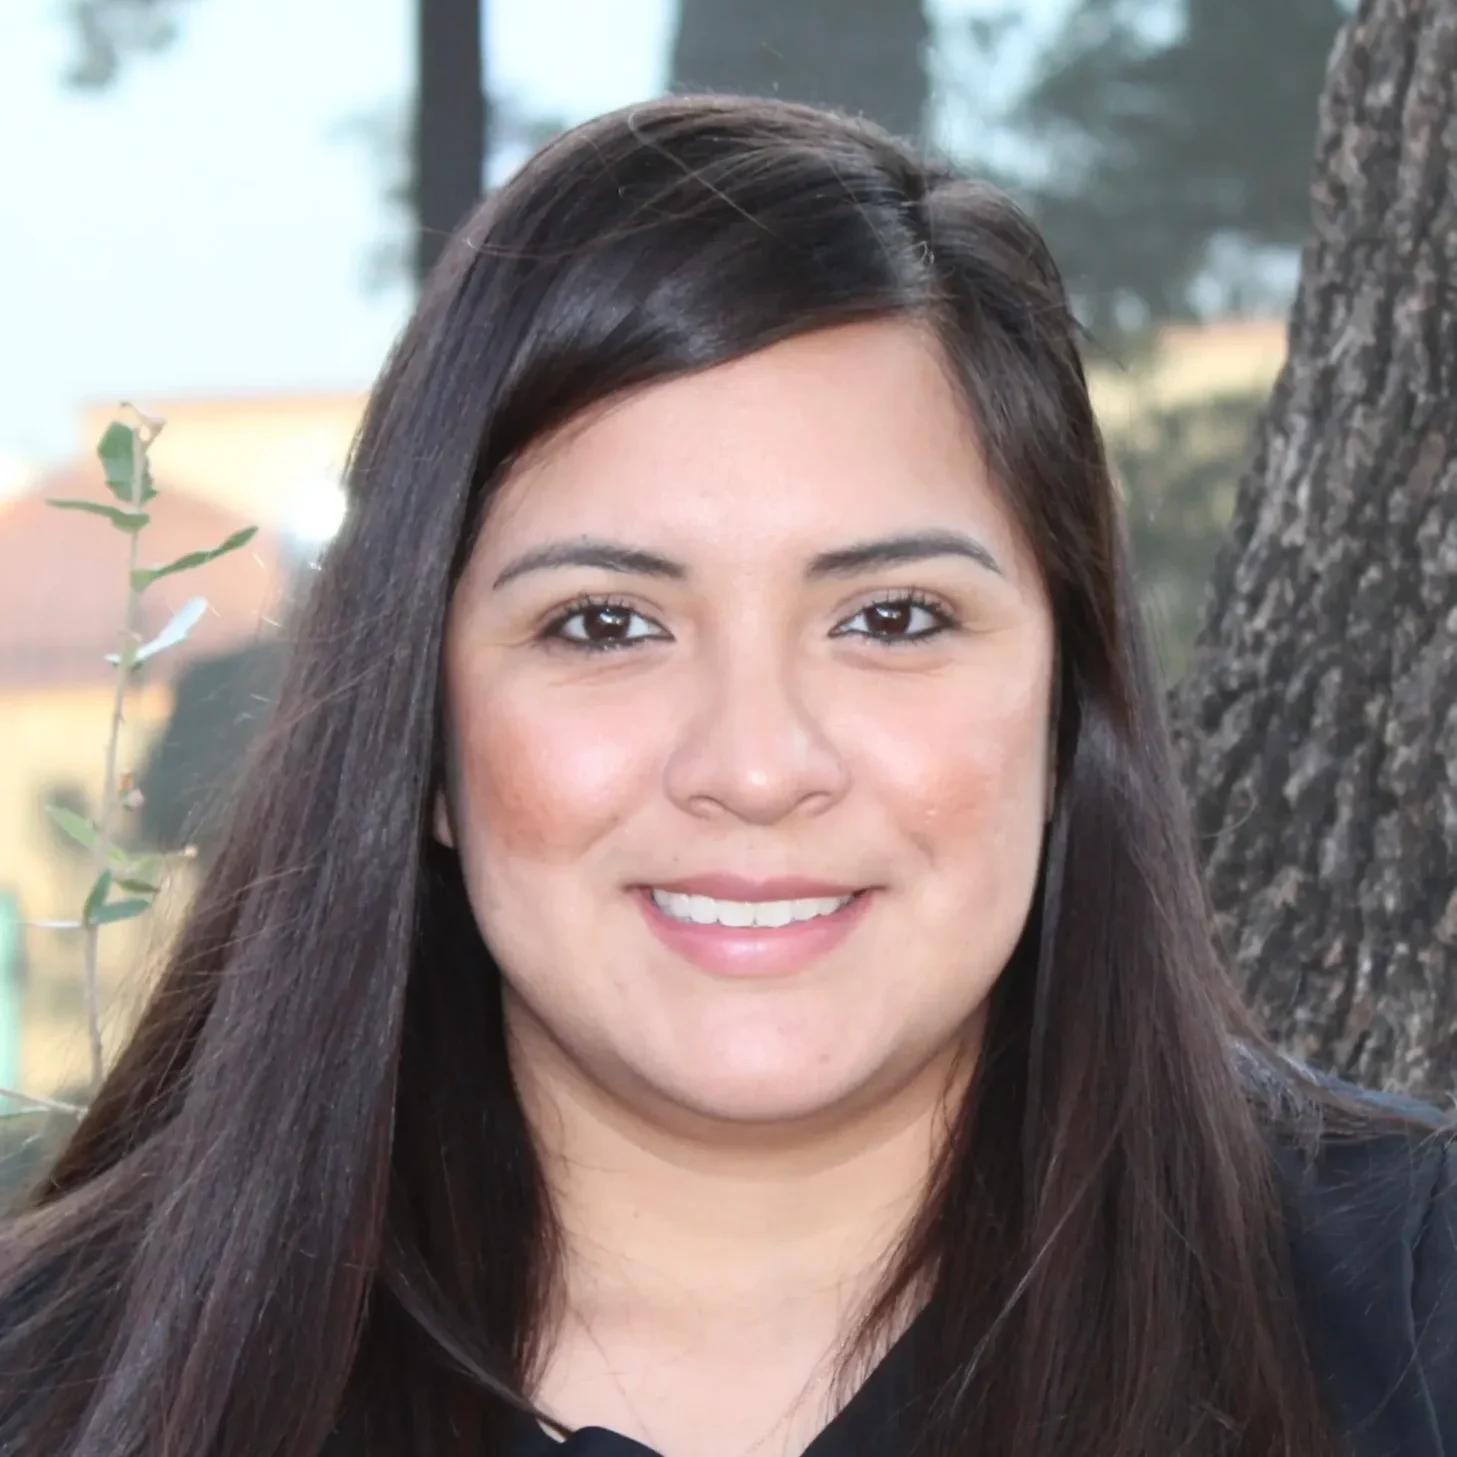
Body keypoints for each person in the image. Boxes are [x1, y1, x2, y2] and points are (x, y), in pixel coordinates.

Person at [0, 94, 1452, 1457]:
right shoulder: (60, 1386)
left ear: (1069, 709)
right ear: (422, 734)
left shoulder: (1411, 1319)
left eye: (893, 620)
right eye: (605, 625)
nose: (756, 768)